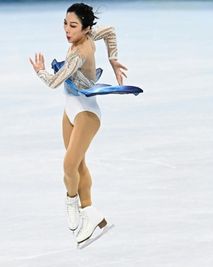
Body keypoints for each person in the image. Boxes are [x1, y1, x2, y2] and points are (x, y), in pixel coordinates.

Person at [29, 3, 127, 246]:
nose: (67, 29)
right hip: (70, 108)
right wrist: (113, 59)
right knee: (79, 165)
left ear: (85, 28)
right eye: (65, 23)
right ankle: (91, 213)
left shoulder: (79, 53)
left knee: (69, 165)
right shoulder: (91, 34)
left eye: (73, 26)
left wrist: (41, 72)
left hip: (86, 114)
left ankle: (72, 201)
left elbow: (54, 82)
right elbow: (111, 31)